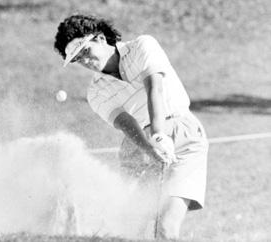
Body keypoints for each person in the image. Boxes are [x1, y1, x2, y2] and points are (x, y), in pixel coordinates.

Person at [54, 14, 209, 240]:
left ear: (99, 39)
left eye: (85, 52)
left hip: (183, 137)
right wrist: (149, 148)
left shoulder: (142, 46)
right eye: (78, 59)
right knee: (130, 228)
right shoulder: (95, 92)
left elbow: (154, 89)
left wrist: (159, 135)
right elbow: (125, 123)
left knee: (165, 227)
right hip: (138, 147)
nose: (86, 61)